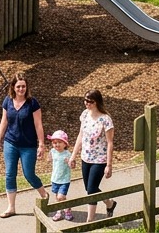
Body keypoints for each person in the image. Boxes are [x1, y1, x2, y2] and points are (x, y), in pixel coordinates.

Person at [0, 72, 49, 219]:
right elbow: (4, 121)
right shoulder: (7, 101)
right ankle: (11, 207)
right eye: (18, 86)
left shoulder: (32, 103)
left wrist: (41, 144)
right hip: (10, 142)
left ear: (27, 87)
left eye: (23, 86)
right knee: (10, 174)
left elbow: (38, 124)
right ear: (13, 87)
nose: (21, 89)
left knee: (29, 174)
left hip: (28, 145)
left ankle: (44, 195)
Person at [70, 87, 117, 223]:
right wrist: (73, 155)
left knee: (91, 190)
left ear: (97, 102)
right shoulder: (85, 114)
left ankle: (90, 221)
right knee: (90, 188)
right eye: (85, 100)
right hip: (86, 157)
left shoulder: (105, 119)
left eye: (90, 101)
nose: (87, 103)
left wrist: (109, 165)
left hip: (99, 159)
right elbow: (81, 135)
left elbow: (110, 143)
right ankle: (109, 203)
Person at [46, 129, 74, 222]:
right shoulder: (53, 151)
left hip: (64, 180)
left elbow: (73, 166)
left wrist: (70, 163)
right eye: (54, 143)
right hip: (55, 178)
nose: (56, 145)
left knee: (60, 196)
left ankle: (67, 209)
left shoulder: (68, 154)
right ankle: (60, 211)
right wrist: (48, 158)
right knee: (57, 196)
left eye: (59, 142)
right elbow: (49, 159)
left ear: (65, 144)